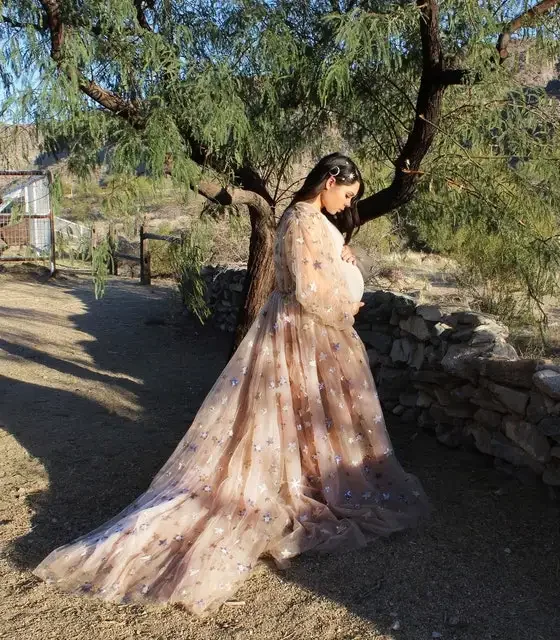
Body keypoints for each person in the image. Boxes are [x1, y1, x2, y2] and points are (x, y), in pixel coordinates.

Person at [34, 153, 429, 615]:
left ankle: (312, 478)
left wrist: (343, 257)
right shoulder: (300, 218)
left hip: (310, 330)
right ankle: (297, 485)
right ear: (327, 181)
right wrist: (346, 306)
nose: (347, 204)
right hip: (305, 328)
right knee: (293, 407)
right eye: (346, 193)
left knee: (309, 411)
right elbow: (305, 287)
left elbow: (318, 268)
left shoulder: (312, 219)